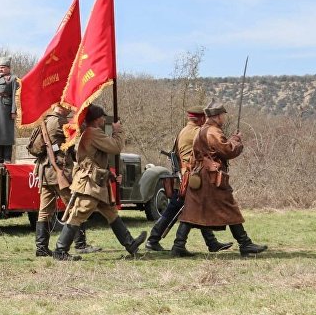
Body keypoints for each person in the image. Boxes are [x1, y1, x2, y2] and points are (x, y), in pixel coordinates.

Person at [174, 100, 267, 257]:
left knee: (192, 211)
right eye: (223, 115)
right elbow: (228, 150)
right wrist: (236, 140)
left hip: (200, 176)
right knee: (229, 207)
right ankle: (245, 244)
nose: (224, 118)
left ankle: (178, 245)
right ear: (217, 116)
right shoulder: (213, 132)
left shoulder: (202, 130)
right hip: (211, 178)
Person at [53, 104, 146, 261]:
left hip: (96, 182)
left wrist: (109, 175)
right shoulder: (93, 133)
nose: (104, 119)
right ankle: (60, 250)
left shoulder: (89, 132)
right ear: (96, 119)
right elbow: (115, 147)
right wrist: (118, 131)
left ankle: (131, 245)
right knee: (78, 214)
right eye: (102, 116)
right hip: (90, 183)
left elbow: (94, 160)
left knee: (111, 213)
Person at [145, 106, 232, 253]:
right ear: (202, 118)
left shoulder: (183, 131)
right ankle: (157, 240)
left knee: (194, 209)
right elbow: (215, 147)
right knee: (186, 209)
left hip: (185, 175)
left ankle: (211, 243)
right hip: (191, 177)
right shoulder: (197, 133)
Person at [32, 104, 100, 257]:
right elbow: (78, 131)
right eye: (68, 107)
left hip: (45, 171)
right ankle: (80, 244)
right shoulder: (60, 122)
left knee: (44, 211)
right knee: (74, 207)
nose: (70, 109)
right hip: (59, 172)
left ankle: (41, 248)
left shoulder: (46, 120)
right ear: (60, 107)